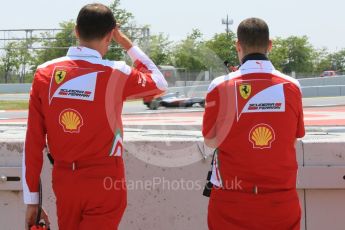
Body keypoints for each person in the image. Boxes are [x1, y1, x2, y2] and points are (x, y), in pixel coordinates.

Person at [23, 3, 167, 229]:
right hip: (106, 181)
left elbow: (33, 142)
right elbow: (159, 83)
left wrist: (32, 199)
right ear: (110, 35)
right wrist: (126, 42)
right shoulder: (117, 72)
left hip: (65, 180)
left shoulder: (44, 73)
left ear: (75, 31)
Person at [202, 18, 305, 230]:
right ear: (270, 45)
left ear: (238, 46)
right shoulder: (292, 86)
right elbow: (292, 139)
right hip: (281, 199)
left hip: (231, 200)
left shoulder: (220, 85)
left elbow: (211, 141)